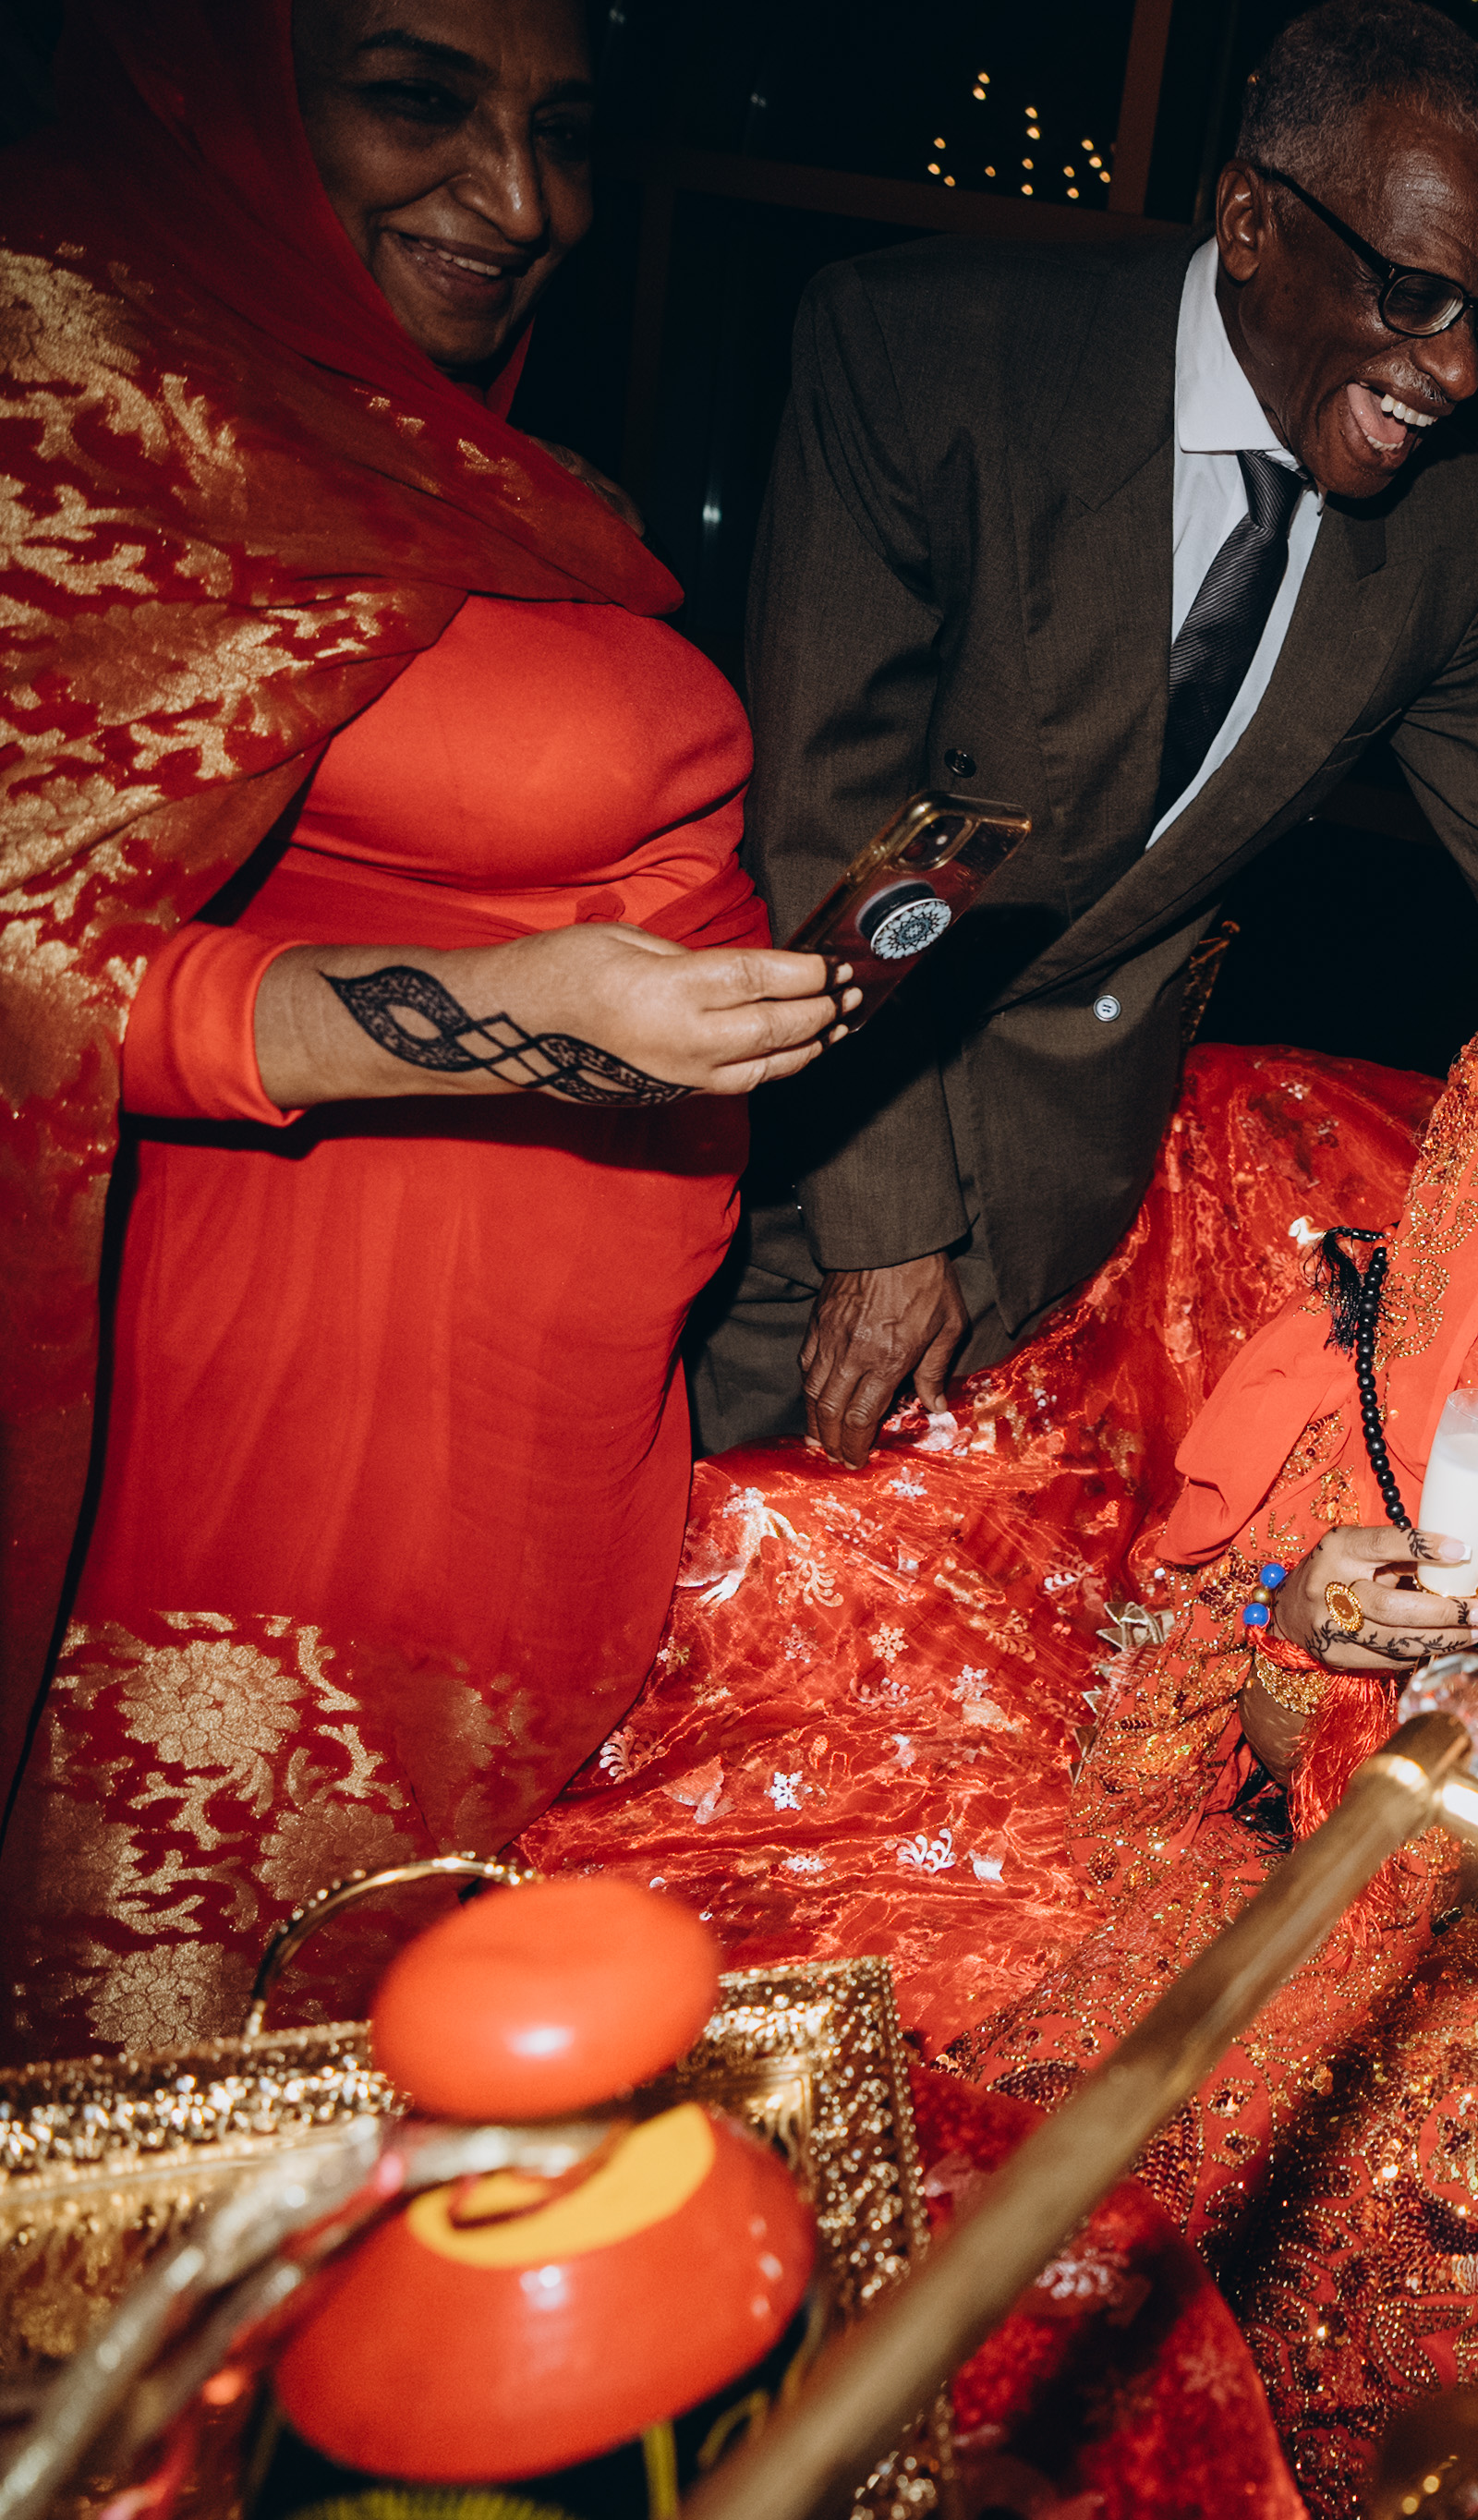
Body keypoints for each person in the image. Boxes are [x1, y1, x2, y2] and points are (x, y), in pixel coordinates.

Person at [539, 902, 1478, 2515]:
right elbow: (1198, 1686)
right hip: (1300, 1849)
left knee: (1447, 2179)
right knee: (1076, 2157)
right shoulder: (1357, 1346)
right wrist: (1300, 1619)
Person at [0, 0, 852, 2059]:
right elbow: (32, 957)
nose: (522, 199)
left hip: (531, 1443)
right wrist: (500, 1016)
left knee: (434, 2131)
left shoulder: (469, 457)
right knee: (182, 2139)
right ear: (217, 89)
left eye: (563, 130)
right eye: (418, 101)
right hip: (276, 1438)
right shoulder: (85, 423)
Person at [697, 0, 1478, 1468]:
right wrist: (884, 1231)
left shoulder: (1444, 536)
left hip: (1072, 1227)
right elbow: (830, 818)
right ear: (1252, 221)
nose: (1459, 374)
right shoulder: (928, 355)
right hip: (818, 1173)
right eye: (1415, 296)